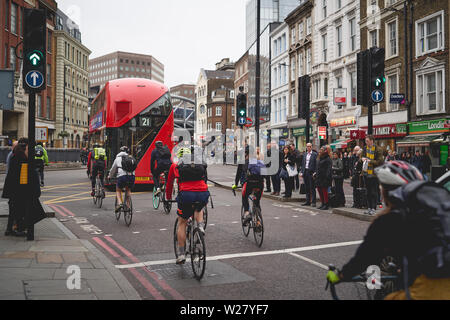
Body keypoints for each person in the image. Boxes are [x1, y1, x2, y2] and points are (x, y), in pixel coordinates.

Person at [326, 161, 450, 300]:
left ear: (386, 192)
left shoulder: (390, 219)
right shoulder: (438, 210)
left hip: (434, 287)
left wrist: (339, 276)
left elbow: (366, 257)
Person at [167, 147, 209, 265]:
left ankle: (181, 254)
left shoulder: (175, 165)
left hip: (186, 194)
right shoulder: (199, 163)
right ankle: (200, 226)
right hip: (202, 192)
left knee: (182, 222)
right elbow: (204, 179)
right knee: (199, 207)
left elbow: (169, 183)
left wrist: (168, 197)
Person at [2, 138, 45, 241]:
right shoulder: (21, 158)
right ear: (25, 147)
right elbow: (23, 177)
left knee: (15, 211)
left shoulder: (16, 155)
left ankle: (11, 229)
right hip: (19, 191)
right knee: (20, 211)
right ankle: (19, 229)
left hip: (15, 190)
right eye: (29, 148)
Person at [233, 146, 265, 221]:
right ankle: (258, 222)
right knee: (257, 202)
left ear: (245, 153)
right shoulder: (258, 161)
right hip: (260, 184)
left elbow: (238, 174)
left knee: (244, 196)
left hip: (249, 184)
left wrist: (236, 184)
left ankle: (247, 213)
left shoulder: (243, 161)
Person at [108, 146, 136, 213]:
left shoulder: (118, 158)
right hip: (132, 176)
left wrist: (110, 176)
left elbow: (113, 170)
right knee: (128, 189)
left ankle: (120, 203)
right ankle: (128, 206)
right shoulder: (131, 158)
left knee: (118, 189)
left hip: (122, 177)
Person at [362, 135, 384, 215]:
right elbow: (361, 156)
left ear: (372, 141)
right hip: (366, 172)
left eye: (367, 141)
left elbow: (380, 162)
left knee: (373, 191)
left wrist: (370, 161)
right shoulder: (365, 148)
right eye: (365, 141)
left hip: (374, 174)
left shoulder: (378, 149)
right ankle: (369, 207)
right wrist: (362, 159)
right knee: (367, 192)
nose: (366, 142)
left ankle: (373, 208)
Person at [316, 146, 333, 210]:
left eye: (321, 150)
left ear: (325, 151)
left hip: (324, 178)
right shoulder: (320, 158)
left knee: (324, 191)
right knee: (319, 190)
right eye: (320, 149)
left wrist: (327, 177)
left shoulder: (328, 158)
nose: (320, 151)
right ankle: (322, 203)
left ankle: (326, 204)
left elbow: (329, 169)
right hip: (319, 177)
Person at [301, 143, 317, 207]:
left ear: (311, 147)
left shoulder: (315, 155)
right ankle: (307, 201)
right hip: (305, 171)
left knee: (312, 188)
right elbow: (303, 163)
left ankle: (313, 202)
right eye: (307, 146)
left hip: (311, 172)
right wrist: (302, 171)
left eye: (310, 146)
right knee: (307, 188)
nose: (308, 148)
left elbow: (316, 164)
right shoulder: (305, 154)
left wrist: (315, 172)